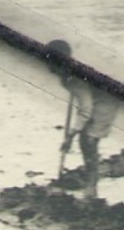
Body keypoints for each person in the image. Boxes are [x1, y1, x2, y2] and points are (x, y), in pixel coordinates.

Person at [45, 39, 119, 197]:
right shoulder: (68, 74)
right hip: (99, 98)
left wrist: (71, 135)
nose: (47, 66)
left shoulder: (72, 77)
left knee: (88, 141)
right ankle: (91, 187)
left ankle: (91, 191)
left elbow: (86, 108)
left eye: (49, 61)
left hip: (106, 102)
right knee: (86, 141)